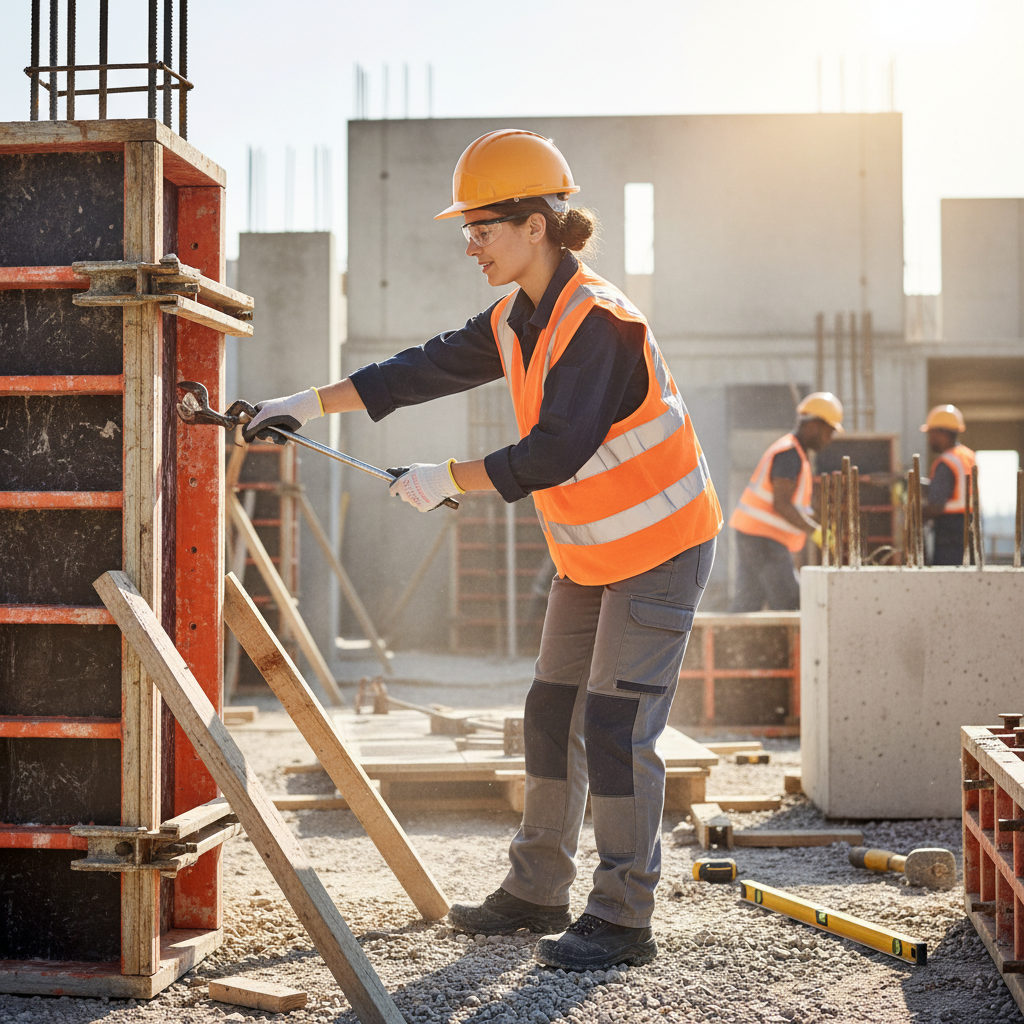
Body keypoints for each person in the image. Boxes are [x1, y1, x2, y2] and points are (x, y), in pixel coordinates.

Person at [242, 128, 723, 971]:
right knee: (548, 712)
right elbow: (419, 370)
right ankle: (538, 891)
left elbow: (555, 449)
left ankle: (623, 915)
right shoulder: (514, 317)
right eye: (466, 228)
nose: (471, 244)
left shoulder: (602, 323)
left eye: (483, 227)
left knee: (614, 723)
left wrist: (448, 477)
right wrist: (306, 403)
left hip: (661, 546)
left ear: (536, 224)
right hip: (591, 553)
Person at [728, 393, 843, 611]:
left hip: (754, 535)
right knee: (790, 602)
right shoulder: (790, 454)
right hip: (764, 539)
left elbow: (794, 504)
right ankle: (788, 646)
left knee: (748, 602)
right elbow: (781, 504)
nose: (829, 439)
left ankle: (734, 643)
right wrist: (815, 531)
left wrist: (818, 524)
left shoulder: (793, 451)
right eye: (829, 431)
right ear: (815, 426)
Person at [920, 404, 976, 565]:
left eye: (931, 433)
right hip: (970, 527)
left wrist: (916, 515)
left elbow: (936, 506)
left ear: (942, 433)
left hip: (950, 531)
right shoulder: (967, 455)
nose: (930, 438)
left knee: (947, 579)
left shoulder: (946, 462)